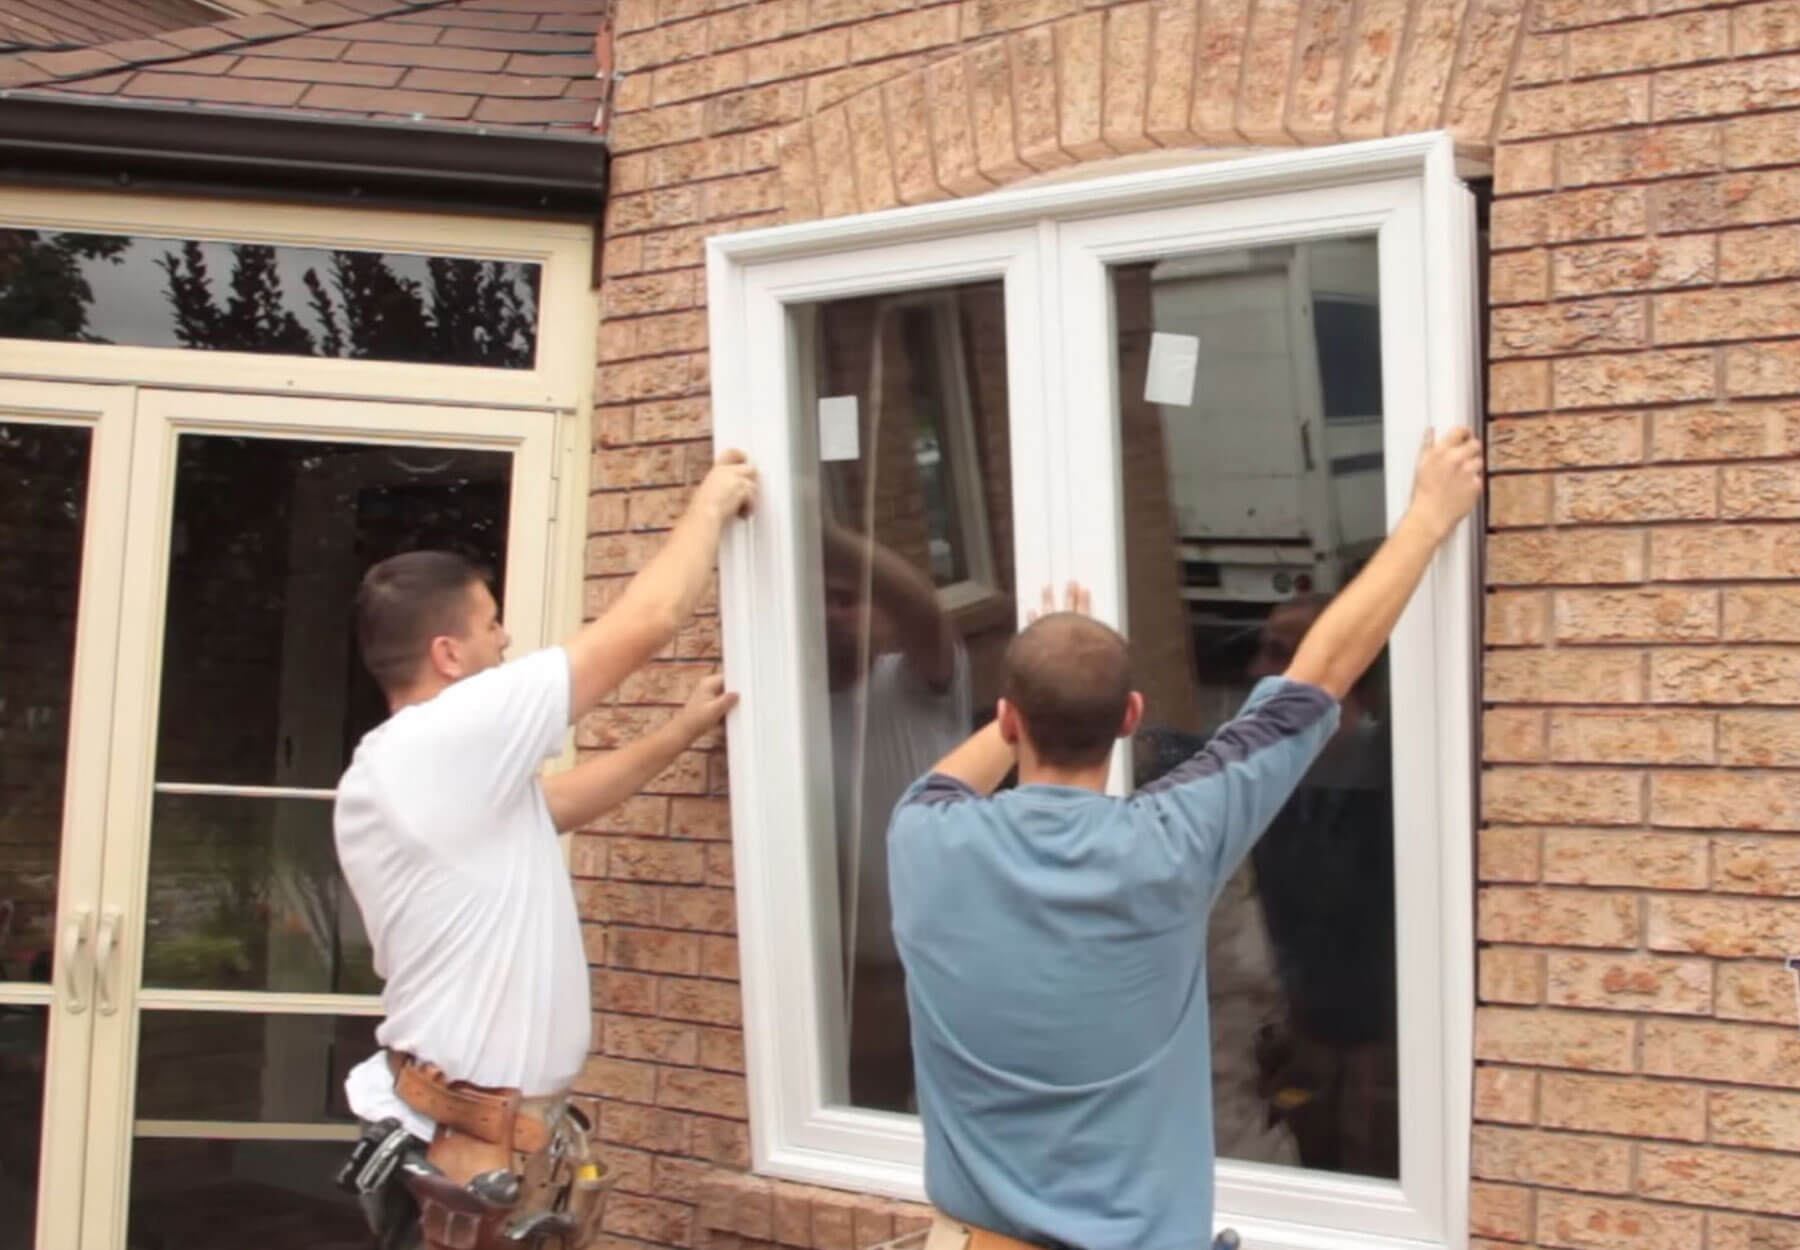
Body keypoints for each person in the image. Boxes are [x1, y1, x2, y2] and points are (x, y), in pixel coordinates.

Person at [887, 428, 1483, 1250]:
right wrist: (1427, 517)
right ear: (1133, 718)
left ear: (1009, 718)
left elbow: (962, 771)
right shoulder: (1170, 841)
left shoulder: (922, 836)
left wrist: (1044, 668)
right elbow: (1322, 676)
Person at [332, 450, 757, 1250]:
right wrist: (710, 501)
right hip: (467, 1156)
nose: (505, 642)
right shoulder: (444, 737)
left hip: (475, 1139)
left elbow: (555, 805)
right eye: (491, 625)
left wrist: (680, 731)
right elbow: (646, 624)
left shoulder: (413, 772)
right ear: (447, 655)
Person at [820, 520, 969, 1111]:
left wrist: (816, 527)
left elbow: (919, 606)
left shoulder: (916, 682)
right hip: (860, 975)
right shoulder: (790, 707)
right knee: (872, 1119)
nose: (833, 614)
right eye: (821, 603)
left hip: (947, 961)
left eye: (847, 600)